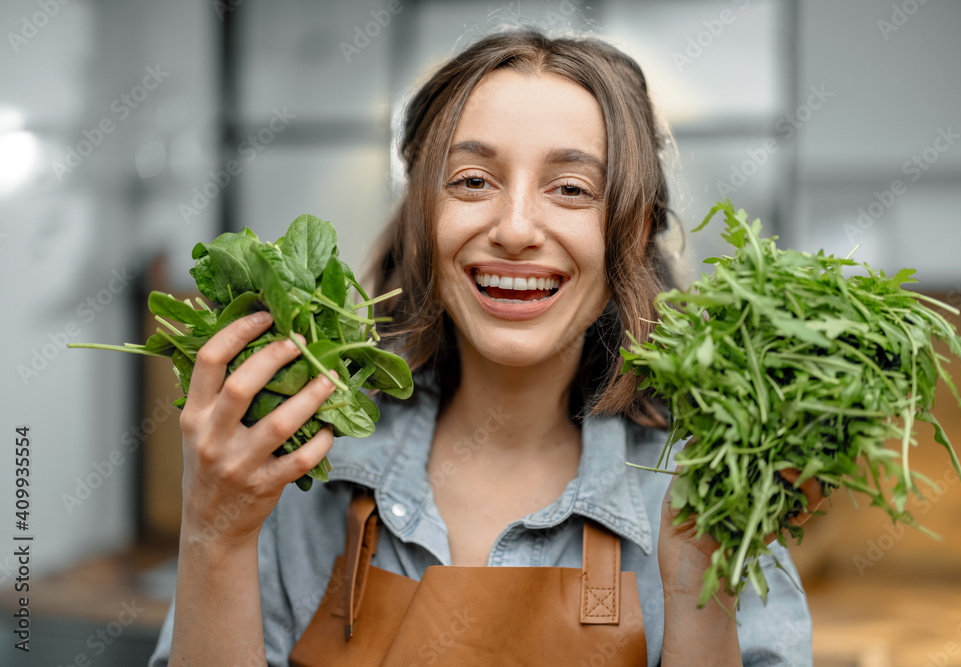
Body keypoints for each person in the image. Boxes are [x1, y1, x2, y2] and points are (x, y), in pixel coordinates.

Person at [149, 28, 822, 666]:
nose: (516, 227)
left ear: (633, 230)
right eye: (472, 180)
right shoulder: (299, 470)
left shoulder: (708, 488)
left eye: (571, 188)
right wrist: (216, 532)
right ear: (421, 218)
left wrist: (697, 590)